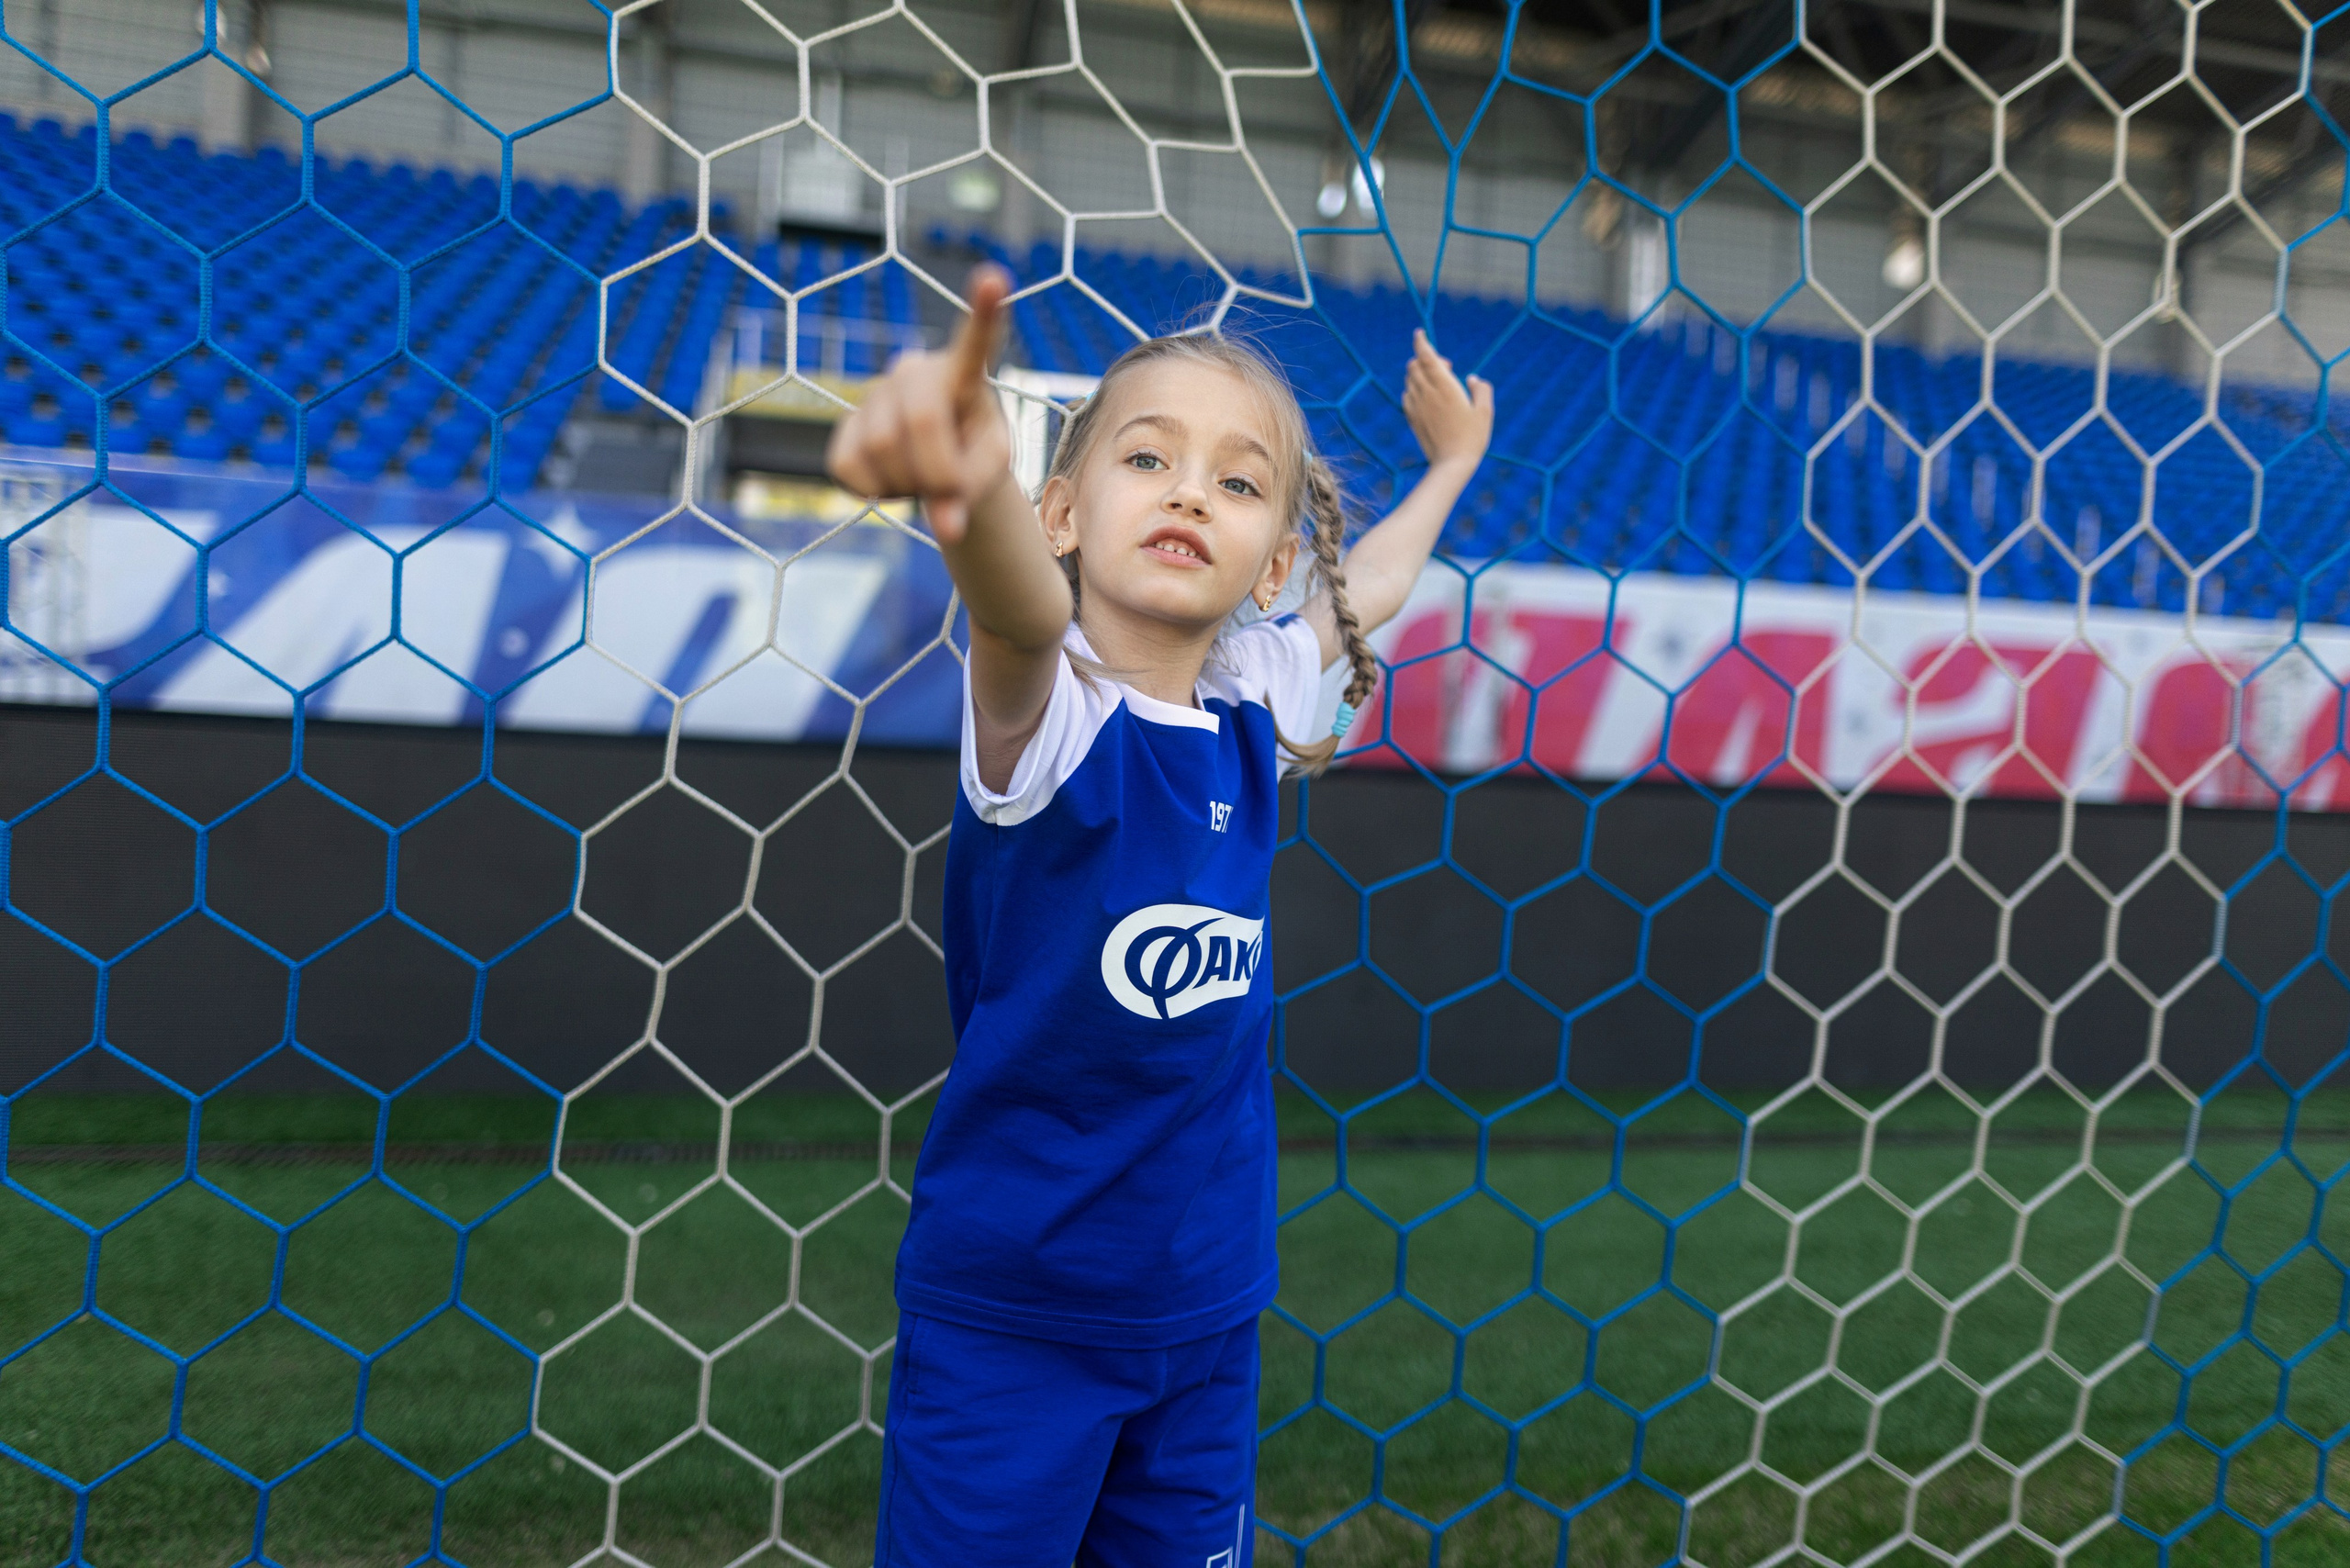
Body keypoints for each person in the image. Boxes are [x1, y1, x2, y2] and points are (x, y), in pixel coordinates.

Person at [826, 263, 1493, 1566]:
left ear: (1275, 561)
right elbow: (1015, 608)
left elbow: (1378, 586)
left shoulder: (1255, 699)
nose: (1194, 490)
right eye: (1149, 458)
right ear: (1064, 511)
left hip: (1204, 1312)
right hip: (1015, 1317)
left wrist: (1454, 463)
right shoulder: (1046, 714)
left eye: (1242, 483)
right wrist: (962, 480)